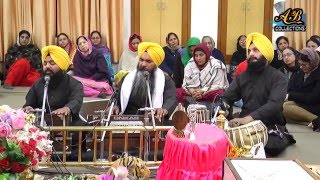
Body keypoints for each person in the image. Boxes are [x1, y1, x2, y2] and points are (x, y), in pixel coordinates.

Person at [222, 32, 295, 156]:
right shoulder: (243, 76)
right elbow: (227, 97)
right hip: (244, 118)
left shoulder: (278, 77)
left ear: (265, 53)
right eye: (249, 51)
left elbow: (274, 104)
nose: (250, 54)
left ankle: (284, 136)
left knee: (267, 145)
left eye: (255, 50)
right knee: (220, 140)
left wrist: (248, 119)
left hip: (269, 123)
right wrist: (224, 109)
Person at [23, 45, 87, 154]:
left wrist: (67, 108)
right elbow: (29, 104)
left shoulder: (74, 83)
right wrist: (27, 108)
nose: (47, 66)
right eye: (45, 63)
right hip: (43, 123)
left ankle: (75, 158)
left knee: (80, 126)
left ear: (61, 65)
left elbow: (76, 100)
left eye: (52, 63)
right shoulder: (38, 84)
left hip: (68, 122)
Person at [112, 42, 177, 123]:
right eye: (141, 60)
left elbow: (171, 99)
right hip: (126, 120)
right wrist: (115, 106)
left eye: (148, 61)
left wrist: (164, 109)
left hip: (152, 121)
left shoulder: (166, 80)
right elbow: (116, 96)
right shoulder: (127, 78)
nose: (143, 64)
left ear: (156, 64)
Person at [283, 48, 320, 131]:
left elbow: (313, 98)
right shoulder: (300, 72)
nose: (302, 67)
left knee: (285, 107)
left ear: (313, 62)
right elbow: (290, 89)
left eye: (305, 64)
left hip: (314, 106)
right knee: (280, 109)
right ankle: (307, 123)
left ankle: (315, 120)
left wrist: (291, 96)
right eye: (300, 64)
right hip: (301, 103)